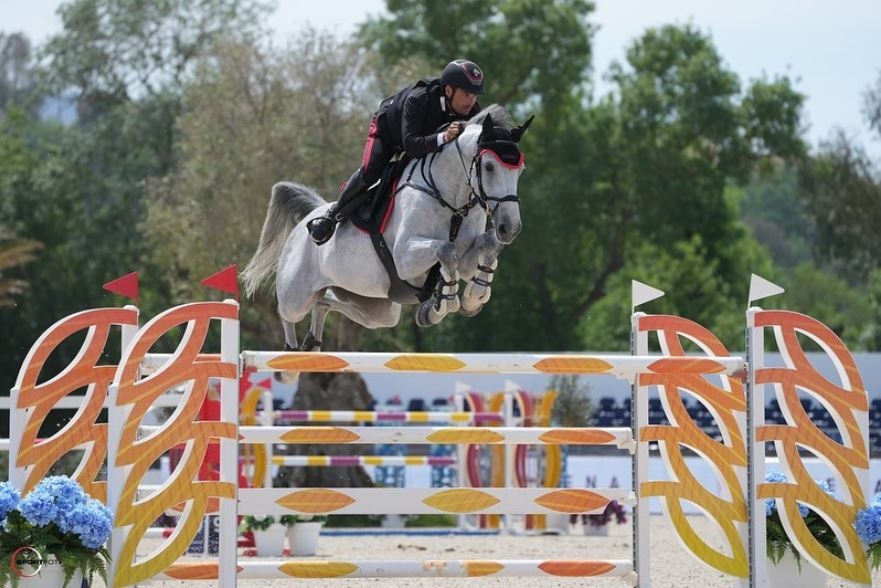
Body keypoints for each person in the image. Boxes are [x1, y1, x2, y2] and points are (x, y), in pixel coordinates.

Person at [307, 59, 485, 245]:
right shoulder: (419, 98)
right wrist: (443, 137)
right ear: (449, 90)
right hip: (388, 133)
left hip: (421, 140)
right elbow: (410, 145)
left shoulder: (472, 111)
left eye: (475, 96)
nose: (471, 101)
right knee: (371, 171)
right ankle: (331, 216)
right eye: (466, 94)